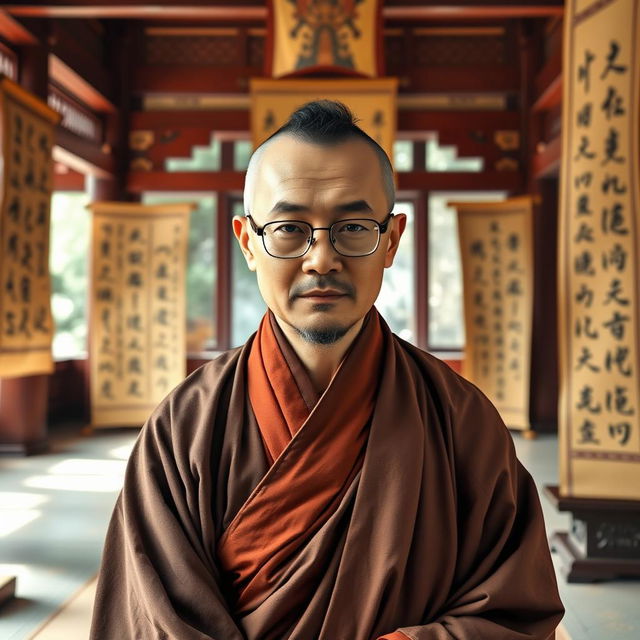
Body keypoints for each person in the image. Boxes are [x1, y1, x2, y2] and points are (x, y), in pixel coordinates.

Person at [90, 100, 564, 640]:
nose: (321, 259)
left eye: (354, 227)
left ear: (391, 239)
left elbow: (514, 611)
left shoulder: (460, 419)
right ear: (248, 241)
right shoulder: (184, 428)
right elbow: (151, 618)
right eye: (290, 228)